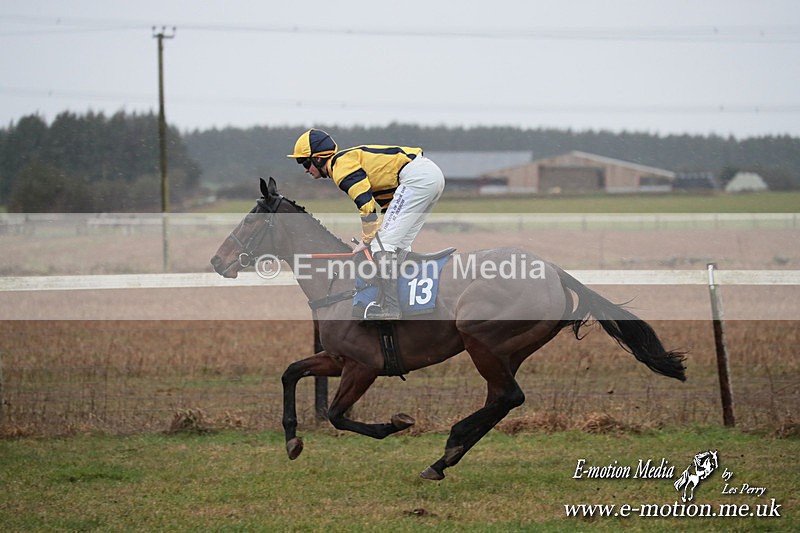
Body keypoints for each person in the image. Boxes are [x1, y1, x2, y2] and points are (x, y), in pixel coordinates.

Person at [288, 128, 445, 320]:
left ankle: (391, 308)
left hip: (417, 179)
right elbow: (388, 204)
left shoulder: (341, 167)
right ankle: (407, 304)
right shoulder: (350, 163)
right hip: (429, 176)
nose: (305, 169)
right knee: (398, 246)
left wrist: (368, 239)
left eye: (304, 161)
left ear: (319, 158)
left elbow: (366, 204)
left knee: (382, 246)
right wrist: (376, 236)